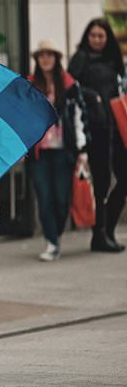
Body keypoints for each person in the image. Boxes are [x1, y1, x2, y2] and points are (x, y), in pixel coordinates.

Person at [68, 18, 126, 252]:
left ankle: (109, 229)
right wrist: (92, 96)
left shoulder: (114, 59)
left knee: (123, 180)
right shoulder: (81, 58)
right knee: (101, 183)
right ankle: (99, 235)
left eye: (101, 36)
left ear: (108, 38)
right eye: (93, 35)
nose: (97, 40)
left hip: (117, 126)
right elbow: (70, 85)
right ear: (87, 37)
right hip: (94, 128)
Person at [27, 40, 88, 261]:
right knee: (44, 197)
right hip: (39, 151)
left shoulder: (69, 84)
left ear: (56, 58)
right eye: (41, 55)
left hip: (64, 150)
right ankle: (52, 242)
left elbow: (80, 116)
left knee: (62, 198)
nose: (45, 59)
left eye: (49, 55)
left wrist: (82, 149)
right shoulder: (29, 84)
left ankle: (56, 234)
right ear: (36, 60)